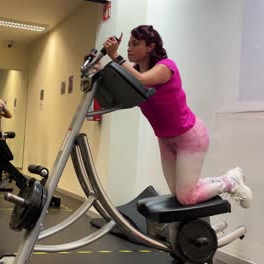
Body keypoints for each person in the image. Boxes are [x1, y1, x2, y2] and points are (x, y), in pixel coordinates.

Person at [100, 25, 252, 208]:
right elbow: (122, 91)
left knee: (186, 198)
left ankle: (230, 183)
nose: (129, 48)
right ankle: (224, 178)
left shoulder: (166, 67)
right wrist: (98, 71)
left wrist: (115, 56)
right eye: (129, 44)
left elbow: (143, 80)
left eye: (135, 43)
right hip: (165, 140)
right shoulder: (135, 73)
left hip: (190, 137)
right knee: (179, 193)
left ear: (150, 47)